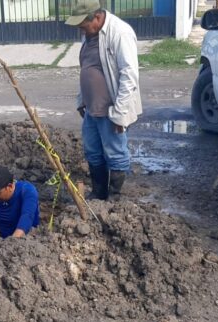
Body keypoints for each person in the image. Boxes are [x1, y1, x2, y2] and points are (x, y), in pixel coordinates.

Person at [66, 0, 142, 200]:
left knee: (115, 153)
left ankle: (115, 198)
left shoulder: (120, 33)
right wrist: (81, 99)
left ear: (97, 17)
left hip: (111, 110)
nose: (82, 31)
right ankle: (99, 194)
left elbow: (129, 75)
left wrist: (119, 114)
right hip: (91, 108)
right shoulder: (90, 34)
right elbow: (87, 68)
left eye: (83, 26)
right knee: (92, 151)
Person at [0, 165, 40, 238]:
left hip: (29, 240)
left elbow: (27, 216)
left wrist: (12, 242)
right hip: (5, 241)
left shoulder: (27, 191)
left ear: (10, 187)